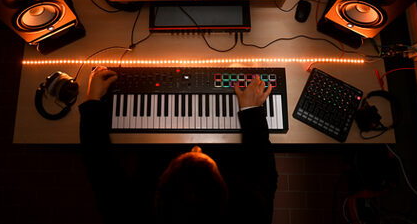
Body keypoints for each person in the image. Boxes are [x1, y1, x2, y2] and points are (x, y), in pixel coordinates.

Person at [79, 66, 278, 224]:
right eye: (200, 155)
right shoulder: (253, 214)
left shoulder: (128, 214)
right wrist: (252, 109)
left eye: (191, 153)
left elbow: (99, 167)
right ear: (223, 194)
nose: (196, 147)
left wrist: (93, 101)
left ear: (160, 192)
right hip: (227, 161)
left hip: (159, 157)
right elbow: (264, 170)